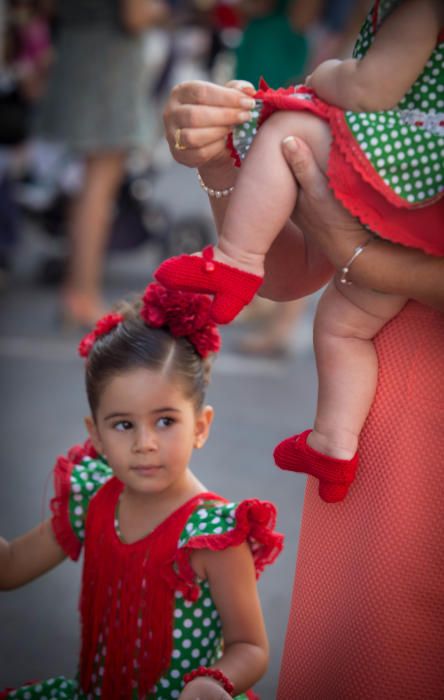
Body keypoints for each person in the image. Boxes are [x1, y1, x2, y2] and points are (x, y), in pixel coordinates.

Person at [158, 75, 444, 700]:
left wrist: (359, 259)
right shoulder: (399, 36)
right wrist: (217, 160)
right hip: (379, 427)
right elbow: (293, 270)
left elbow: (339, 251)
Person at [155, 0, 444, 502]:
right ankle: (333, 443)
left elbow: (369, 88)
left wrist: (324, 74)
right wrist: (218, 162)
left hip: (415, 170)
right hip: (385, 447)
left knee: (288, 127)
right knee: (340, 321)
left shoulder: (420, 9)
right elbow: (298, 270)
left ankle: (234, 262)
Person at [0, 283, 284, 699]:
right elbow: (9, 567)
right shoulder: (93, 498)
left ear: (201, 426)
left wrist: (213, 682)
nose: (145, 443)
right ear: (95, 434)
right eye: (123, 425)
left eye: (166, 421)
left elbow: (250, 647)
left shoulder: (213, 535)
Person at [34, 0, 169, 328]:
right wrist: (163, 12)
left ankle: (76, 290)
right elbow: (136, 15)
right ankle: (82, 294)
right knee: (99, 186)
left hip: (74, 51)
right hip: (109, 63)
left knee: (86, 185)